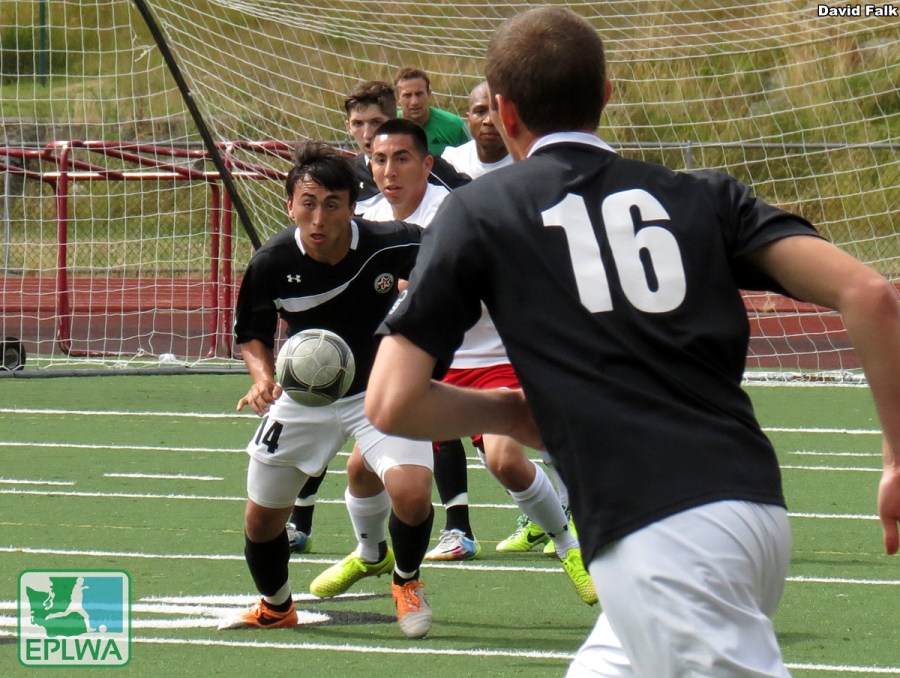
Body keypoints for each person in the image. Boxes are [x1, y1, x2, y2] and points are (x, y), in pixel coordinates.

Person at [364, 6, 900, 676]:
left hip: (659, 528)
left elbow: (389, 402)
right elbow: (872, 295)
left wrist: (510, 414)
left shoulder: (481, 210)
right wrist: (896, 457)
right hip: (750, 507)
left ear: (502, 112)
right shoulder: (701, 194)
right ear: (607, 95)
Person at [362, 117, 597, 604]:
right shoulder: (363, 221)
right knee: (364, 467)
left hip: (489, 356)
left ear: (427, 164)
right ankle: (372, 553)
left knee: (506, 458)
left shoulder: (459, 213)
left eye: (402, 158)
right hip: (425, 362)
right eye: (380, 159)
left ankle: (568, 545)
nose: (390, 171)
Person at [219, 141, 436, 640]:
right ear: (290, 204)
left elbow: (454, 259)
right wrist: (262, 379)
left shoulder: (395, 241)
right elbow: (250, 333)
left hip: (380, 390)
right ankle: (276, 607)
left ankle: (406, 583)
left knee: (412, 491)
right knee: (261, 521)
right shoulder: (271, 261)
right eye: (308, 203)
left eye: (331, 204)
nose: (318, 217)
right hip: (303, 396)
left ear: (352, 206)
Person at [281, 80, 472, 555]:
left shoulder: (449, 209)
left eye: (397, 156)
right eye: (361, 129)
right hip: (382, 341)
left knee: (488, 443)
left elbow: (440, 281)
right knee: (321, 386)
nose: (379, 153)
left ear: (425, 162)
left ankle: (466, 526)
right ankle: (315, 528)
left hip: (458, 340)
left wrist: (385, 283)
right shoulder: (361, 209)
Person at [442, 81, 573, 556]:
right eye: (475, 111)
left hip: (523, 322)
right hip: (466, 333)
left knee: (537, 425)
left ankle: (573, 514)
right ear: (468, 117)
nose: (484, 120)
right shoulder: (450, 167)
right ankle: (446, 533)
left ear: (506, 116)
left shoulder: (530, 163)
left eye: (490, 111)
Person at [344, 79, 469, 215]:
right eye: (357, 124)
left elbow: (471, 201)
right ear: (348, 126)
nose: (367, 134)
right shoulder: (347, 175)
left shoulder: (426, 166)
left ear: (393, 122)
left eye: (375, 122)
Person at [394, 66, 469, 156]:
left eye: (419, 94)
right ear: (397, 97)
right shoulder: (388, 126)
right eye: (407, 95)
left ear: (429, 93)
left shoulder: (454, 125)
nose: (414, 102)